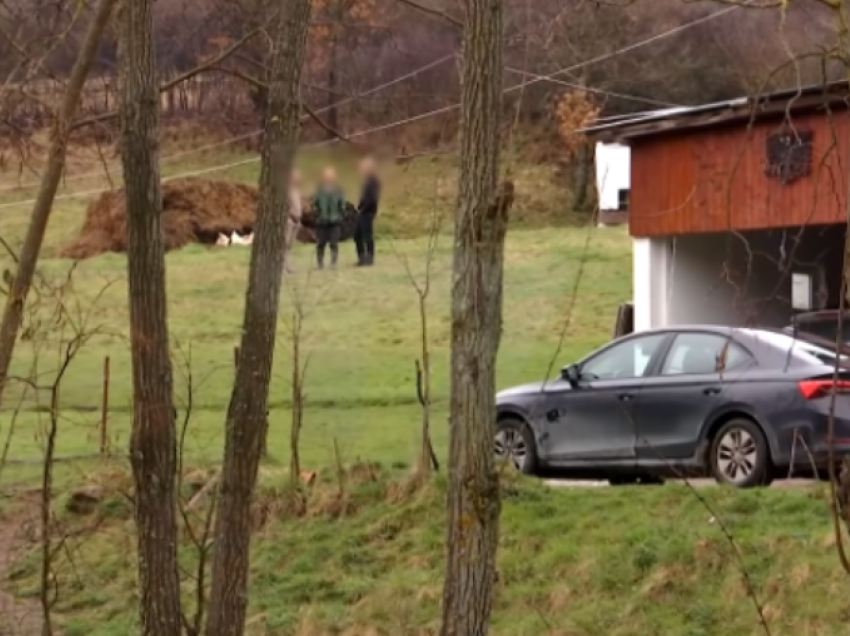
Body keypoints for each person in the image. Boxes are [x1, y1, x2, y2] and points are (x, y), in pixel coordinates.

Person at [312, 167, 345, 270]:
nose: (329, 178)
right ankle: (319, 263)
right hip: (322, 221)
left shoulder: (338, 190)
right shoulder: (319, 190)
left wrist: (339, 215)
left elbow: (342, 205)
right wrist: (317, 213)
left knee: (334, 243)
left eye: (331, 176)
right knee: (321, 243)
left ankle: (333, 263)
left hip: (335, 221)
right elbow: (314, 204)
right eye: (327, 176)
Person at [354, 156, 381, 267]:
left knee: (367, 235)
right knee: (357, 235)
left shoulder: (374, 181)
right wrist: (359, 207)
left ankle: (369, 257)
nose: (361, 170)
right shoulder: (367, 181)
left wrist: (363, 209)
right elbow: (364, 197)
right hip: (362, 211)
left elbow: (372, 198)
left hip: (367, 212)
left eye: (363, 168)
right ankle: (361, 257)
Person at [283, 168, 302, 273]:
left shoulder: (297, 189)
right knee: (284, 244)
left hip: (297, 220)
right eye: (296, 176)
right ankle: (281, 267)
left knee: (290, 245)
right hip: (289, 220)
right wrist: (290, 216)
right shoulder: (286, 189)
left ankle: (287, 265)